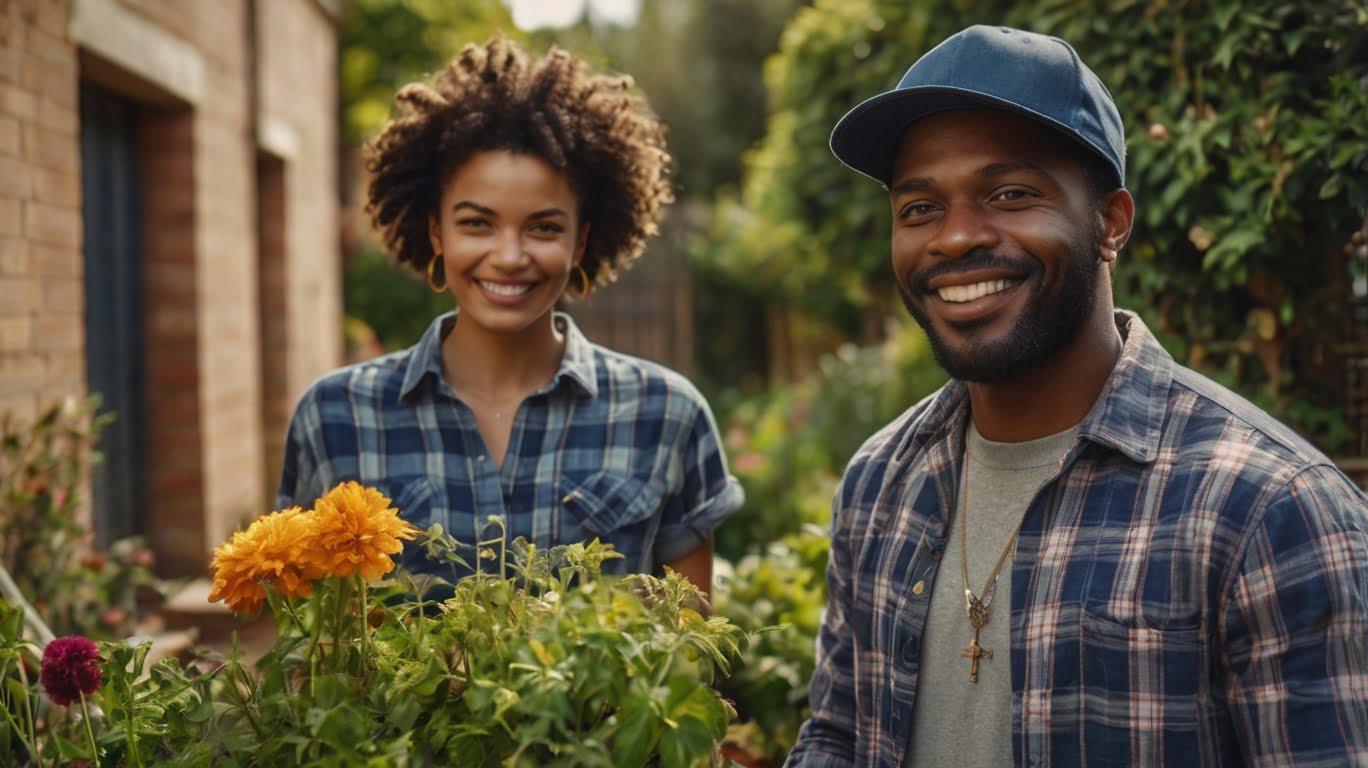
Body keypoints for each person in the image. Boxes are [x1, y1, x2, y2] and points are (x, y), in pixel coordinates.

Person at [785, 24, 1368, 767]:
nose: (955, 238)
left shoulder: (1269, 510)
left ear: (1110, 224)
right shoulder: (879, 484)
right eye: (919, 208)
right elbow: (839, 738)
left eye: (1010, 193)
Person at [277, 36, 743, 595]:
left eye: (543, 227)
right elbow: (310, 652)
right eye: (477, 223)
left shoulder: (666, 415)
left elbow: (687, 653)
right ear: (436, 231)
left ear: (579, 240)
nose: (509, 256)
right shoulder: (335, 418)